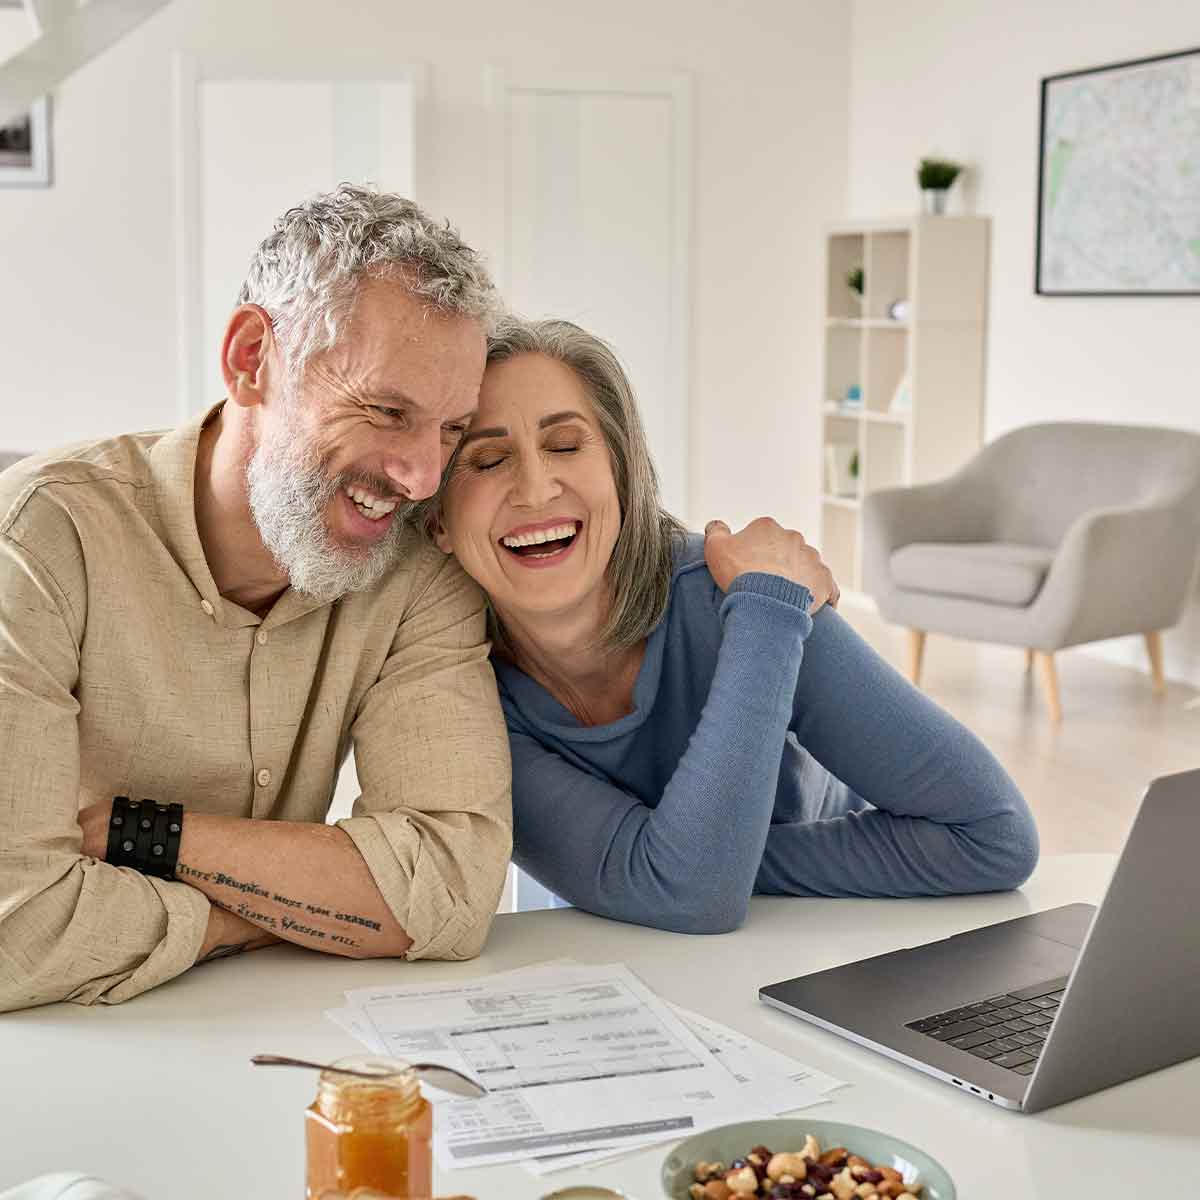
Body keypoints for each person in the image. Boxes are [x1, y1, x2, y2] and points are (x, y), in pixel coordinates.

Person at [0, 186, 512, 1013]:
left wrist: (144, 837)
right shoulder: (39, 537)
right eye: (387, 410)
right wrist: (273, 913)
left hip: (261, 1041)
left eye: (451, 429)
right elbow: (13, 931)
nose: (421, 475)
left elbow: (451, 892)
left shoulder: (419, 574)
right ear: (251, 360)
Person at [432, 318, 1039, 933]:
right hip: (619, 962)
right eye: (487, 460)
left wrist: (689, 862)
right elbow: (687, 891)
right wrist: (685, 866)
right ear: (436, 523)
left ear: (619, 471)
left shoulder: (750, 600)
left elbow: (995, 835)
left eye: (565, 445)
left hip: (823, 941)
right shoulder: (454, 694)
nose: (536, 489)